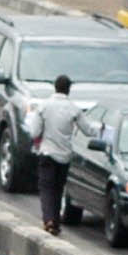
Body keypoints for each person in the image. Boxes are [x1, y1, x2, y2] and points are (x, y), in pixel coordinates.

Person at [27, 74, 80, 235]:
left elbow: (34, 132)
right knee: (58, 188)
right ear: (68, 90)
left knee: (46, 188)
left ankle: (49, 220)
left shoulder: (44, 106)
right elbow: (88, 129)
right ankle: (55, 222)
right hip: (64, 156)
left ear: (55, 87)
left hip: (47, 153)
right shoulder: (74, 109)